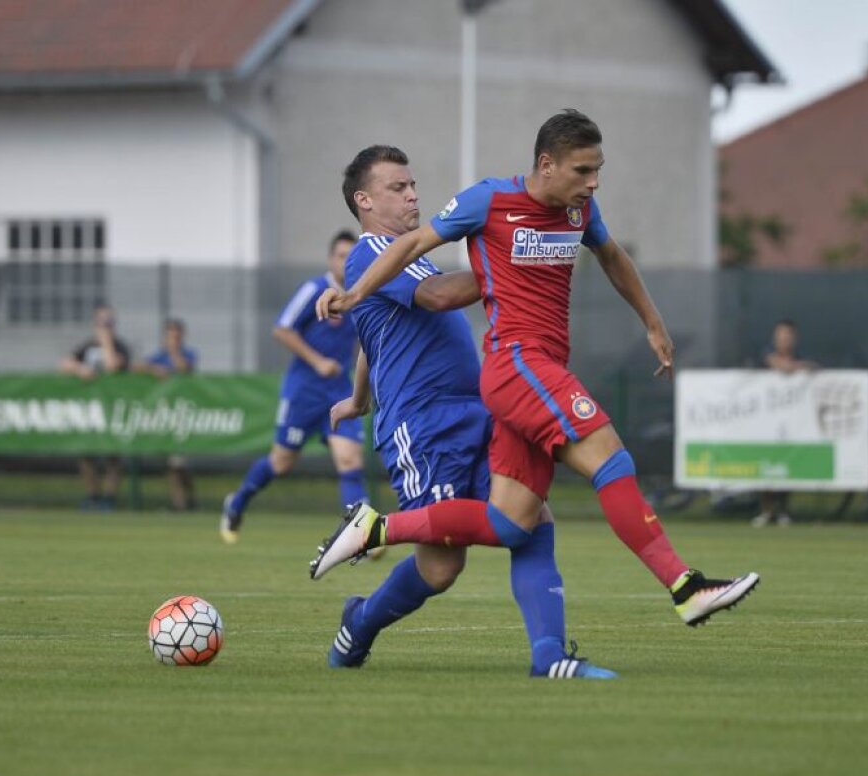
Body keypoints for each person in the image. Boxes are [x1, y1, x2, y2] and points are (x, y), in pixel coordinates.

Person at [311, 109, 759, 629]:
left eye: (598, 172)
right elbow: (420, 291)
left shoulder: (578, 212)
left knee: (513, 524)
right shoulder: (461, 213)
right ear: (547, 165)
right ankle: (685, 586)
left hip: (489, 392)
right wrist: (356, 293)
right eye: (582, 172)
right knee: (608, 458)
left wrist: (653, 321)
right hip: (503, 373)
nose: (592, 183)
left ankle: (539, 653)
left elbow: (612, 256)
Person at [318, 144, 611, 679]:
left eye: (412, 184)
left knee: (531, 519)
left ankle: (548, 655)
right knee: (442, 565)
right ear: (363, 200)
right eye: (397, 187)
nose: (412, 193)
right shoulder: (370, 252)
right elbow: (436, 298)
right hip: (423, 423)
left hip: (475, 409)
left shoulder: (406, 255)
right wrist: (515, 265)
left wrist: (359, 398)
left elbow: (371, 332)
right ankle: (359, 620)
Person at [219, 232, 368, 543]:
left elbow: (359, 343)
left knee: (350, 459)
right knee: (281, 463)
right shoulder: (315, 289)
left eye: (350, 256)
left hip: (338, 391)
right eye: (340, 255)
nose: (345, 261)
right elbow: (282, 329)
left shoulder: (358, 296)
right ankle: (238, 501)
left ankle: (359, 536)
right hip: (304, 391)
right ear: (330, 259)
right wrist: (317, 361)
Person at [59, 304, 131, 511]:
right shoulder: (86, 347)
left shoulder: (119, 346)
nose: (104, 326)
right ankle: (93, 495)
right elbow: (64, 364)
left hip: (114, 410)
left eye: (108, 322)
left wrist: (106, 341)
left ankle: (109, 498)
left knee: (113, 457)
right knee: (86, 455)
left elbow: (112, 366)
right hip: (90, 411)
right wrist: (79, 368)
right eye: (101, 322)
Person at [752, 319, 816, 527]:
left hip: (792, 421)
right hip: (766, 421)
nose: (784, 340)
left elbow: (812, 367)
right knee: (766, 463)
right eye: (780, 336)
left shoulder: (802, 358)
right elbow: (773, 363)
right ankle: (766, 510)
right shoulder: (765, 355)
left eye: (788, 336)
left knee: (788, 463)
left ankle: (783, 511)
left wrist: (798, 367)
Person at [134, 318, 199, 511]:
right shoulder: (158, 357)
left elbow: (184, 368)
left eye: (177, 336)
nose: (173, 340)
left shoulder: (188, 354)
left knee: (180, 465)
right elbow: (136, 368)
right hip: (163, 418)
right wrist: (153, 370)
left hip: (183, 416)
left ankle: (191, 499)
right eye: (170, 336)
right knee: (171, 466)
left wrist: (173, 352)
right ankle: (180, 505)